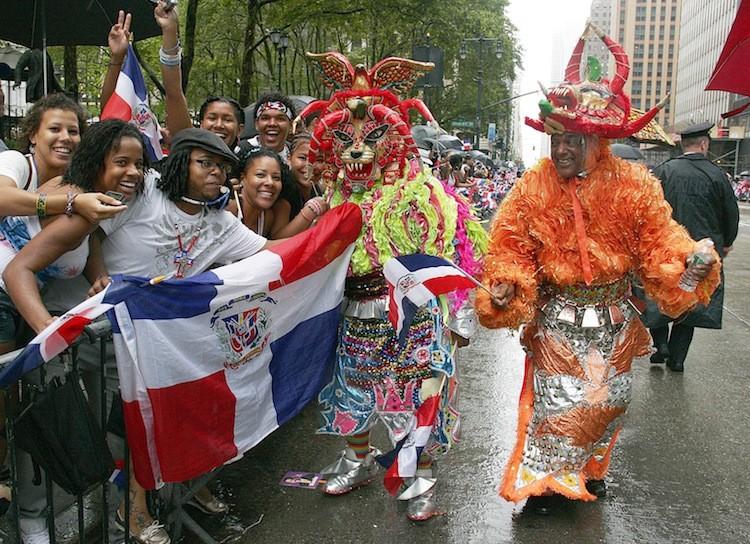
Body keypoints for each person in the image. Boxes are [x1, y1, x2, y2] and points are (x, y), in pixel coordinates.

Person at [475, 23, 721, 513]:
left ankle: (589, 469)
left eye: (575, 140)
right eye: (557, 139)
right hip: (557, 319)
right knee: (556, 401)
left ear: (599, 141)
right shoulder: (533, 187)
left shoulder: (633, 185)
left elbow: (662, 240)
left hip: (612, 321)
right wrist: (505, 283)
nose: (562, 149)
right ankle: (546, 480)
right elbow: (508, 245)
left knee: (607, 402)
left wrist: (690, 265)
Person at [301, 52, 486, 521]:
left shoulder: (421, 190)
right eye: (345, 139)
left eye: (372, 138)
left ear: (393, 141)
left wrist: (460, 315)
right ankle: (357, 459)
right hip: (356, 312)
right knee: (354, 391)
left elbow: (459, 248)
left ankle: (420, 476)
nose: (358, 149)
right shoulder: (332, 195)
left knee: (418, 396)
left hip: (413, 316)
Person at [0, 119, 143, 544]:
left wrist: (99, 277)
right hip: (36, 323)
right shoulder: (75, 202)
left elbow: (89, 243)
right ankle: (31, 516)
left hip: (61, 325)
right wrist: (48, 332)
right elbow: (17, 270)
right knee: (52, 423)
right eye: (121, 162)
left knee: (76, 420)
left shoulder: (93, 205)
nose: (133, 173)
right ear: (96, 162)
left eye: (138, 163)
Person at [644, 122, 740, 372]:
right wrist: (727, 242)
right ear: (704, 144)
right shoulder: (717, 175)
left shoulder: (664, 171)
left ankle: (661, 344)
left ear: (682, 144)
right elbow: (731, 213)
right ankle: (677, 358)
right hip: (703, 253)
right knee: (691, 303)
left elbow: (648, 208)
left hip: (666, 251)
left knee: (659, 298)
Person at [0, 93, 125, 220]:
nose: (66, 138)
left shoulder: (79, 180)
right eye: (54, 129)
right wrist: (71, 203)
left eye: (73, 132)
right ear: (33, 135)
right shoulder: (15, 161)